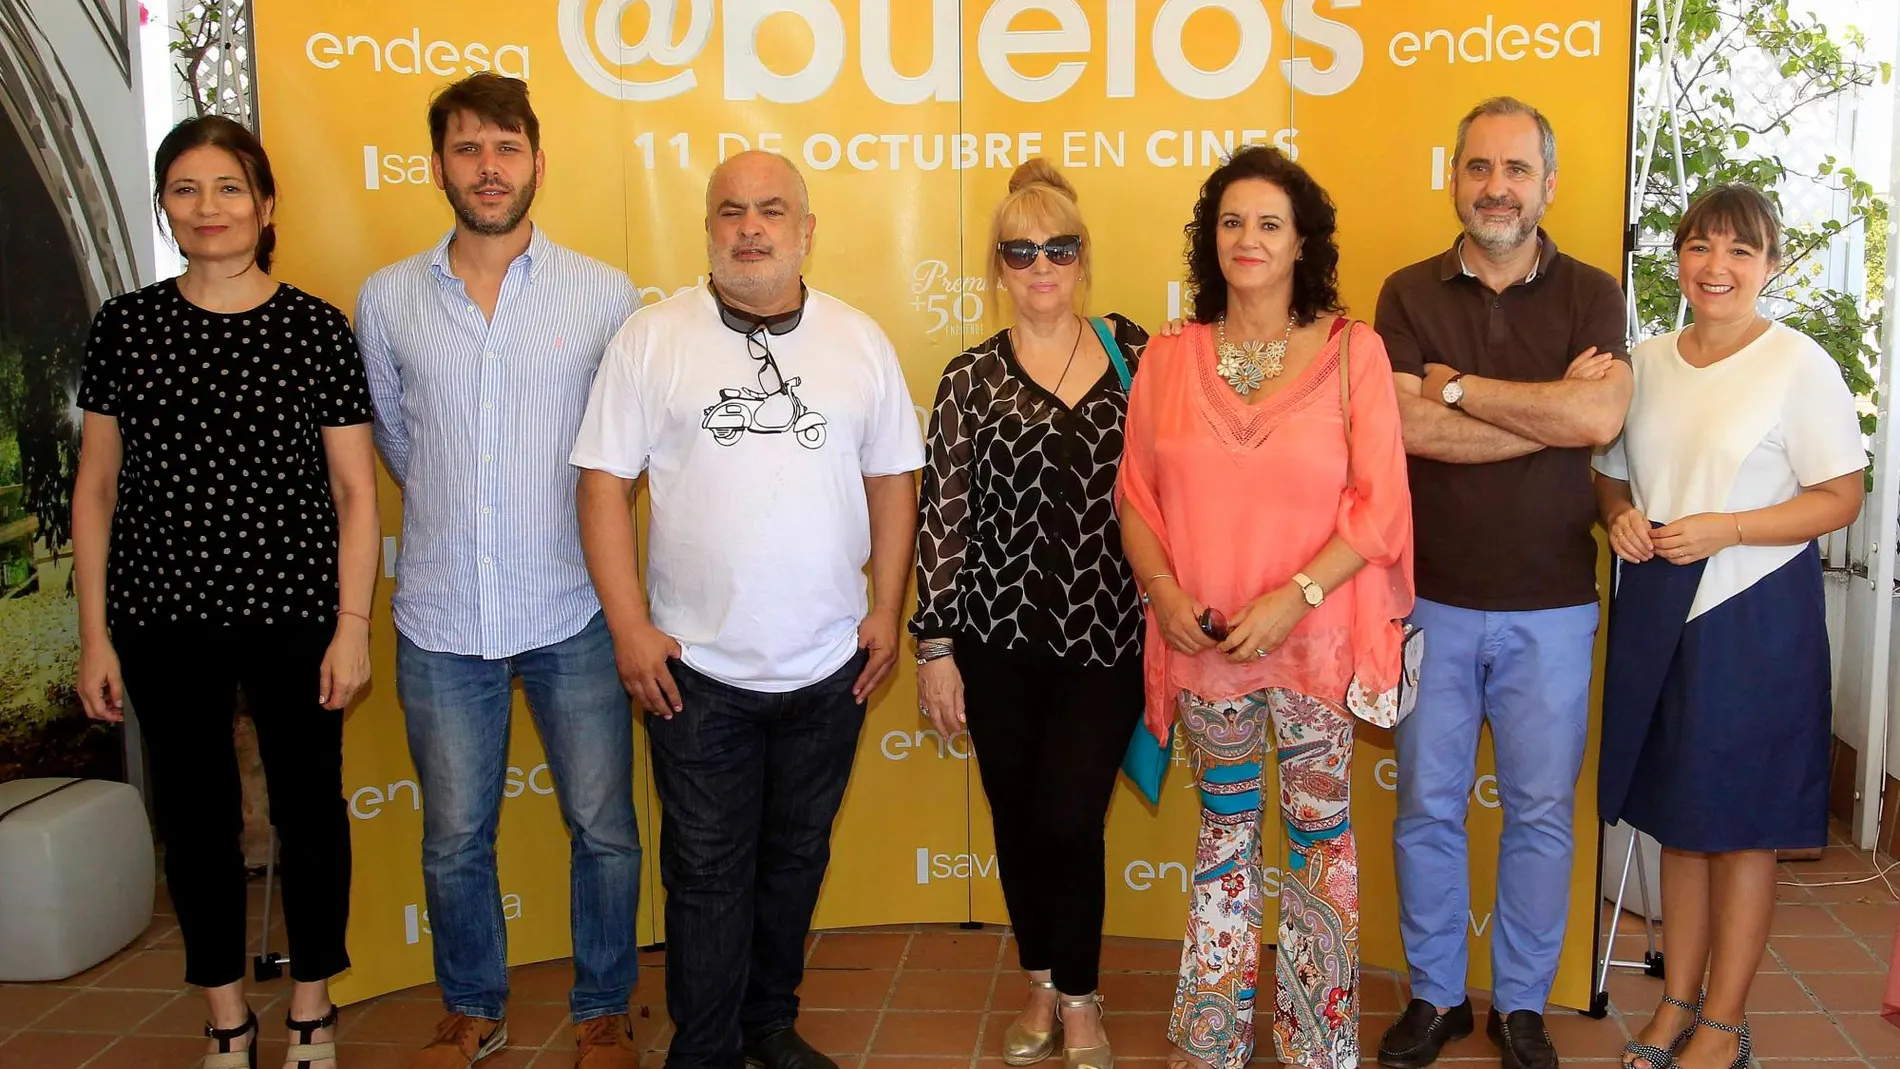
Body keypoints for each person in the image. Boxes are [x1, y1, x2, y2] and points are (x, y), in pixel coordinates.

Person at [571, 150, 924, 1069]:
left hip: (830, 667)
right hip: (698, 672)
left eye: (772, 210)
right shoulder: (654, 337)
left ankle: (767, 1021)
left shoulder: (859, 339)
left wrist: (887, 606)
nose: (751, 228)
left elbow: (894, 478)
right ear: (708, 229)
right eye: (731, 212)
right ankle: (708, 1045)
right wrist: (629, 627)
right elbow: (603, 483)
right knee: (705, 876)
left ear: (807, 230)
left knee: (795, 861)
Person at [71, 115, 377, 1069]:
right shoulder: (128, 325)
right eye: (187, 189)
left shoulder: (315, 328)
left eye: (230, 187)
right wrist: (95, 636)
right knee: (197, 822)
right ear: (166, 206)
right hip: (161, 620)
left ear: (267, 204)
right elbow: (95, 490)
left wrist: (353, 625)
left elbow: (357, 491)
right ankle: (226, 1019)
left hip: (296, 615)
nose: (209, 208)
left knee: (310, 810)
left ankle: (313, 1013)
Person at [354, 72, 644, 1069]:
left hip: (572, 607)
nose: (488, 168)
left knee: (603, 829)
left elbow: (622, 449)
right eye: (468, 148)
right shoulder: (388, 298)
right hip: (441, 615)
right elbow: (401, 442)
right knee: (451, 840)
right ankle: (470, 1007)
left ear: (536, 161)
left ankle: (604, 1008)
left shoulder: (602, 293)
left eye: (505, 147)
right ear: (438, 164)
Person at [1117, 144, 1414, 1069]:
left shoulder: (1351, 351)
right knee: (1225, 832)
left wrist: (1298, 595)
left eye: (1269, 224)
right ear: (1211, 240)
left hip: (1314, 647)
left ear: (1301, 245)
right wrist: (1162, 596)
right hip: (1205, 648)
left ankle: (1317, 1041)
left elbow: (1380, 505)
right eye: (1232, 221)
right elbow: (1136, 496)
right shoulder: (1169, 355)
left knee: (1321, 838)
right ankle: (1211, 1036)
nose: (1248, 239)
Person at [1372, 97, 1632, 1069]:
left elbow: (1597, 422)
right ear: (1454, 178)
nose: (1496, 187)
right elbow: (1400, 429)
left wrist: (1456, 387)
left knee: (1537, 813)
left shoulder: (1593, 293)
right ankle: (1436, 997)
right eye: (1479, 167)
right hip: (1426, 596)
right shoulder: (1404, 294)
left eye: (1516, 169)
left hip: (1555, 604)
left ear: (1547, 184)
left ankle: (1520, 1004)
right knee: (1427, 808)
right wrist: (1544, 410)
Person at [1596, 184, 1865, 1069]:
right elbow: (1613, 471)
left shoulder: (1800, 364)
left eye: (1740, 251)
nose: (1717, 267)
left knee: (1742, 826)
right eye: (1701, 246)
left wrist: (1730, 527)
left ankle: (1725, 1022)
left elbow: (1841, 495)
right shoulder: (1647, 359)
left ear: (1771, 263)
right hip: (1659, 609)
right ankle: (1676, 1006)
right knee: (1680, 818)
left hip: (1753, 617)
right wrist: (1620, 514)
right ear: (1678, 256)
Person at [911, 158, 1147, 1069]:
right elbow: (944, 515)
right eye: (1020, 250)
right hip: (997, 643)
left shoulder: (1137, 354)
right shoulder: (969, 377)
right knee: (1016, 818)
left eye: (1057, 247)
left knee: (1068, 817)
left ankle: (1082, 996)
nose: (1040, 264)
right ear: (998, 266)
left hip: (1108, 637)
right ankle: (1041, 976)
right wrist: (935, 646)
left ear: (1083, 256)